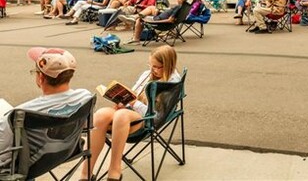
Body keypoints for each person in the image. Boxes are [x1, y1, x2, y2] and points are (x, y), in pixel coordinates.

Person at [82, 47, 180, 181]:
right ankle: (86, 173)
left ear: (168, 65)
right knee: (100, 115)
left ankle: (114, 170)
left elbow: (156, 114)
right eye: (150, 65)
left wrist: (133, 103)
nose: (152, 70)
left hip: (147, 119)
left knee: (121, 115)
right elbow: (133, 94)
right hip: (129, 113)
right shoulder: (147, 74)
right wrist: (122, 101)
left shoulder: (170, 83)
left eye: (156, 67)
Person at [0, 47, 92, 170]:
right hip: (65, 153)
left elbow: (4, 154)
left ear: (41, 78)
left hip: (22, 167)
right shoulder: (85, 97)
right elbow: (86, 126)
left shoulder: (19, 114)